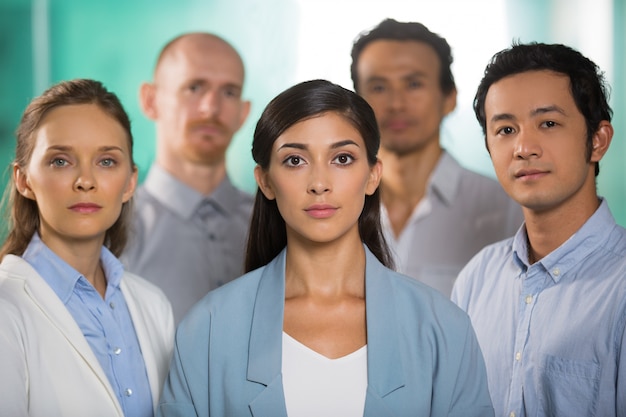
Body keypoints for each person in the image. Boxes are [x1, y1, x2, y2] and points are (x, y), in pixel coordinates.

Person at [157, 79, 494, 417]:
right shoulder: (207, 327)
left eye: (342, 158)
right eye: (294, 161)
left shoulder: (444, 328)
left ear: (373, 175)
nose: (319, 184)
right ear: (266, 181)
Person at [451, 42, 626, 416]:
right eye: (505, 129)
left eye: (548, 123)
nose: (523, 147)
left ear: (597, 141)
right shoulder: (475, 280)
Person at [0, 79, 174, 417]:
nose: (85, 180)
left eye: (106, 161)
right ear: (24, 180)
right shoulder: (5, 309)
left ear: (130, 182)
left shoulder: (154, 306)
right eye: (61, 161)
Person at [350, 18, 523, 296]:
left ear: (449, 98)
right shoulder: (334, 207)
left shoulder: (506, 210)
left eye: (414, 84)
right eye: (379, 87)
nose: (396, 104)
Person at [122, 32, 253, 323]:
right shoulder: (112, 231)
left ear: (243, 114)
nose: (211, 108)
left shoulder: (281, 225)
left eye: (229, 92)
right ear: (150, 100)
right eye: (194, 87)